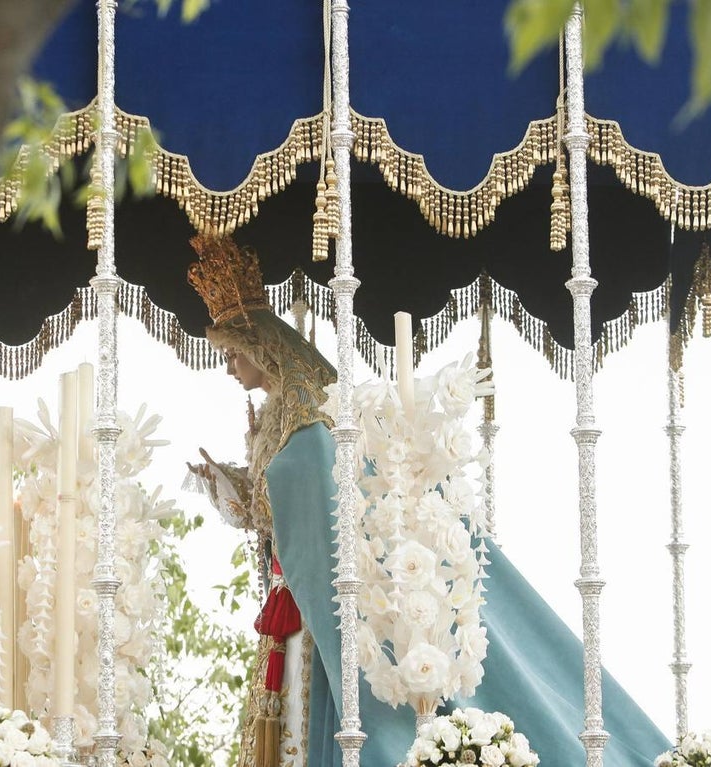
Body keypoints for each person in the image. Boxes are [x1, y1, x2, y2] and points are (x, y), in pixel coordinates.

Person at [186, 233, 672, 767]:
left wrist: (258, 497)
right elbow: (272, 513)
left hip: (320, 601)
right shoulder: (286, 425)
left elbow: (308, 518)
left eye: (233, 354)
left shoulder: (309, 431)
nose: (230, 368)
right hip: (295, 605)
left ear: (263, 346)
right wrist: (226, 484)